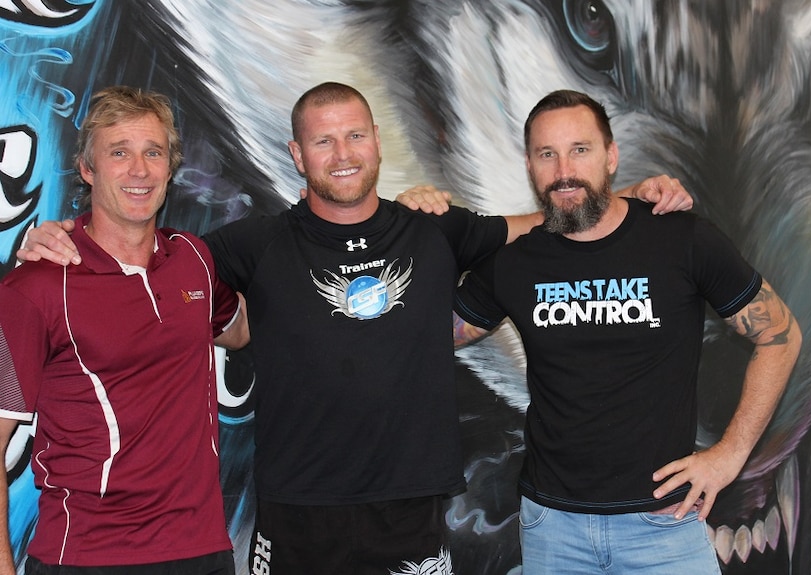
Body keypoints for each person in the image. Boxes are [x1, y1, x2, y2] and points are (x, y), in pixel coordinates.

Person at [16, 82, 693, 574]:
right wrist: (54, 235)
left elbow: (537, 223)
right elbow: (146, 257)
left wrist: (629, 197)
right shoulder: (248, 244)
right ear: (297, 152)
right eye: (323, 139)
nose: (342, 152)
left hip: (409, 514)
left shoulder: (431, 227)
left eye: (355, 135)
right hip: (293, 516)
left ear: (375, 140)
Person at [450, 89, 802, 574]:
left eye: (580, 149)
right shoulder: (513, 262)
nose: (563, 169)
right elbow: (432, 336)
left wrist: (729, 455)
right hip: (554, 528)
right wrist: (416, 231)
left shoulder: (681, 239)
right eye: (546, 154)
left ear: (611, 157)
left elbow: (780, 336)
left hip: (665, 526)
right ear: (529, 166)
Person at [0, 86, 249, 575]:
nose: (139, 170)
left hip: (203, 550)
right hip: (88, 556)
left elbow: (237, 331)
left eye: (153, 152)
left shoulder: (193, 259)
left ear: (170, 168)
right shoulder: (38, 285)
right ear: (88, 169)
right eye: (119, 153)